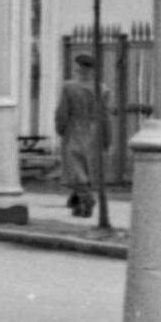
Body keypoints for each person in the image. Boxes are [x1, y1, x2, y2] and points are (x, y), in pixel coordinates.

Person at [54, 52, 112, 222]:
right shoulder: (103, 89)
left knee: (75, 167)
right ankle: (77, 201)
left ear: (78, 69)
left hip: (75, 129)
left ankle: (86, 198)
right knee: (88, 167)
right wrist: (107, 138)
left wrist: (61, 129)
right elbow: (106, 116)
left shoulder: (69, 87)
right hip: (95, 131)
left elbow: (62, 113)